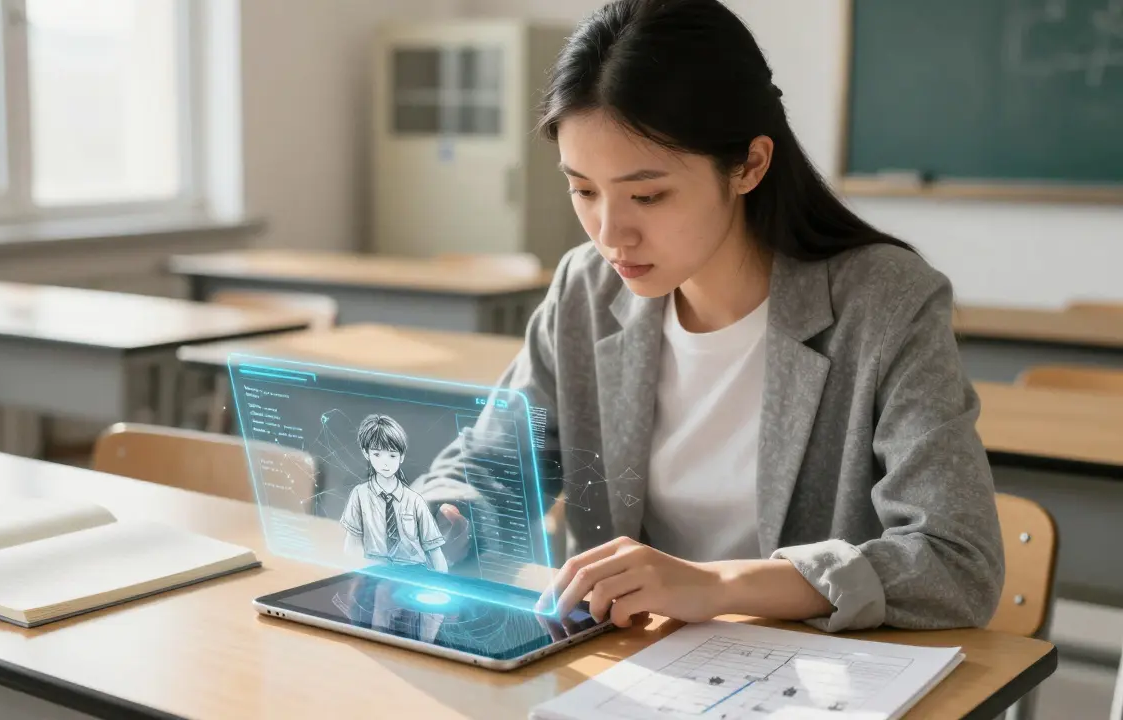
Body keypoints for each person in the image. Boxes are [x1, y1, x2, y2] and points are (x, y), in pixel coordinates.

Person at [414, 0, 1003, 633]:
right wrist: (441, 516)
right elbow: (490, 469)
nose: (611, 234)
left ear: (749, 164)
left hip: (810, 682)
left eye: (648, 195)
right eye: (583, 190)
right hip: (626, 671)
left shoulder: (884, 303)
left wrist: (718, 585)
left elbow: (956, 561)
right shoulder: (584, 290)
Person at [341, 414, 449, 572]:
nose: (385, 463)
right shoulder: (360, 494)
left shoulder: (414, 500)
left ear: (401, 456)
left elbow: (434, 549)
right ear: (366, 453)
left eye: (392, 455)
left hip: (413, 571)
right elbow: (352, 541)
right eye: (377, 454)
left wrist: (442, 584)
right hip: (375, 570)